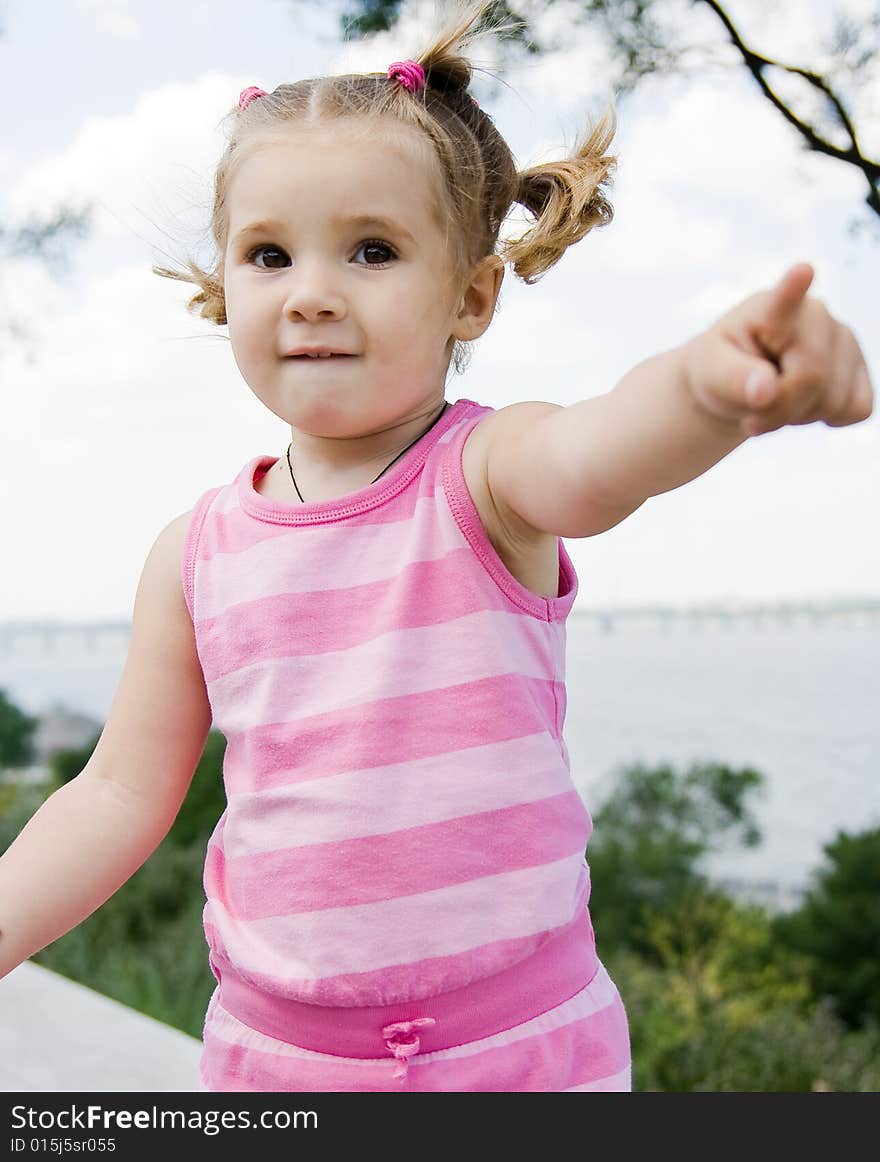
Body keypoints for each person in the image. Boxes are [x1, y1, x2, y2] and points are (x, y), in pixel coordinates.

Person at [0, 0, 872, 1093]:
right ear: (227, 290)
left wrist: (706, 387)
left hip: (518, 1055)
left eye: (372, 250)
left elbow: (602, 452)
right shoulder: (194, 553)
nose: (312, 291)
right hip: (276, 1061)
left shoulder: (487, 476)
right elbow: (121, 793)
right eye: (269, 254)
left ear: (471, 295)